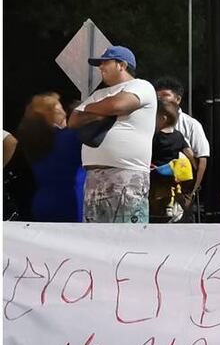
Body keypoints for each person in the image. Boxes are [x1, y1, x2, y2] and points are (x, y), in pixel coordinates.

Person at [69, 46, 157, 224]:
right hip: (93, 178)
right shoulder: (99, 94)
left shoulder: (141, 86)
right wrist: (103, 111)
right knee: (94, 236)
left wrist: (91, 109)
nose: (101, 67)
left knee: (127, 234)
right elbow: (74, 120)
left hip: (126, 176)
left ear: (122, 65)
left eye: (105, 63)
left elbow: (118, 105)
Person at [15, 92, 85, 222]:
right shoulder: (70, 137)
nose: (64, 112)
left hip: (43, 200)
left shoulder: (32, 142)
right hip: (71, 200)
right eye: (59, 108)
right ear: (52, 114)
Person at [155, 77, 209, 218]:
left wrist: (190, 193)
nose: (160, 99)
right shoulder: (149, 123)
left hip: (181, 195)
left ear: (178, 99)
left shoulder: (191, 124)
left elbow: (201, 161)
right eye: (157, 96)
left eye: (165, 95)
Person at [148, 100, 195, 223]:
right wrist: (194, 165)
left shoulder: (154, 136)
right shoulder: (178, 136)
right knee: (170, 196)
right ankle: (170, 207)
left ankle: (160, 213)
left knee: (155, 205)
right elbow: (189, 153)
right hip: (172, 176)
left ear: (163, 118)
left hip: (156, 176)